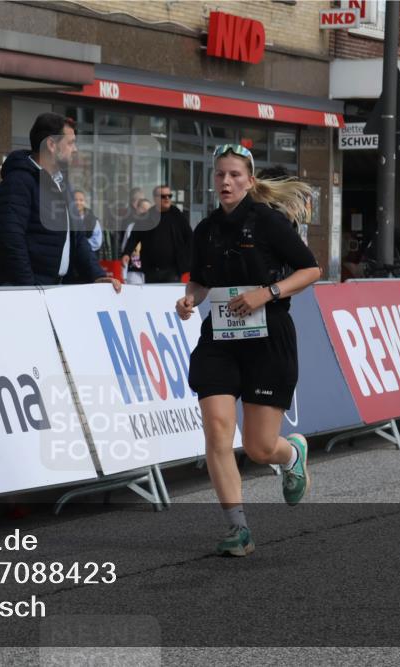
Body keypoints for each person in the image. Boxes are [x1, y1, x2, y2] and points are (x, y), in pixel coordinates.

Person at [175, 143, 321, 557]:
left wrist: (266, 293)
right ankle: (237, 527)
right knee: (218, 429)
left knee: (259, 448)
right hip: (220, 339)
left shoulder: (269, 223)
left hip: (268, 337)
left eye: (235, 174)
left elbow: (311, 269)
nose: (226, 181)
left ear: (250, 180)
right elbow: (200, 282)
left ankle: (291, 453)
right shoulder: (205, 230)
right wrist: (189, 300)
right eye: (220, 174)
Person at [0, 112, 121, 291]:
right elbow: (11, 241)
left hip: (56, 292)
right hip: (28, 295)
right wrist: (29, 290)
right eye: (70, 143)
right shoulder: (18, 183)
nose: (75, 149)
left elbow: (79, 240)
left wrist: (98, 276)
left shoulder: (62, 184)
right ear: (51, 144)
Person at [121, 185, 193, 283]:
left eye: (169, 196)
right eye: (163, 196)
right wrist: (127, 253)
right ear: (155, 198)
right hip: (151, 269)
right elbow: (134, 236)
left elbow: (190, 238)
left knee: (171, 297)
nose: (167, 198)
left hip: (173, 270)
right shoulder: (147, 216)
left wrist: (188, 259)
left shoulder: (177, 216)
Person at [73, 189, 105, 256]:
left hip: (87, 255)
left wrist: (80, 246)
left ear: (85, 202)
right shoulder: (66, 218)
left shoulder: (92, 219)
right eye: (75, 200)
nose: (78, 202)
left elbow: (97, 241)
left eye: (81, 200)